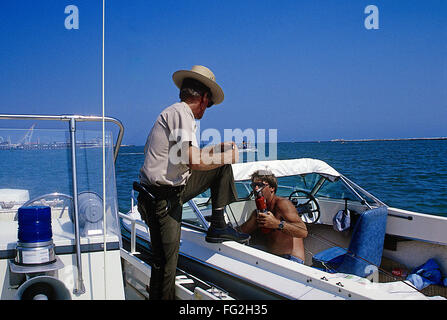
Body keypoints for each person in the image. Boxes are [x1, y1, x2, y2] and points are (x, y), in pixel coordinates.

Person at [137, 65, 250, 300]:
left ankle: (218, 223)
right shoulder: (181, 113)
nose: (207, 109)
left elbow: (183, 156)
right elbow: (192, 160)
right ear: (204, 98)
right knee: (166, 265)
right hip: (161, 198)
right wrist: (227, 156)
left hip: (171, 189)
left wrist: (215, 150)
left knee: (221, 167)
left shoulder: (176, 113)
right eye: (209, 105)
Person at [239, 170, 308, 264]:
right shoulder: (259, 211)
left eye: (260, 185)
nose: (255, 189)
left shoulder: (282, 204)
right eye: (253, 185)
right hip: (271, 255)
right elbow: (240, 232)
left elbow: (303, 232)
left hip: (291, 260)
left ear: (272, 188)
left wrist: (277, 224)